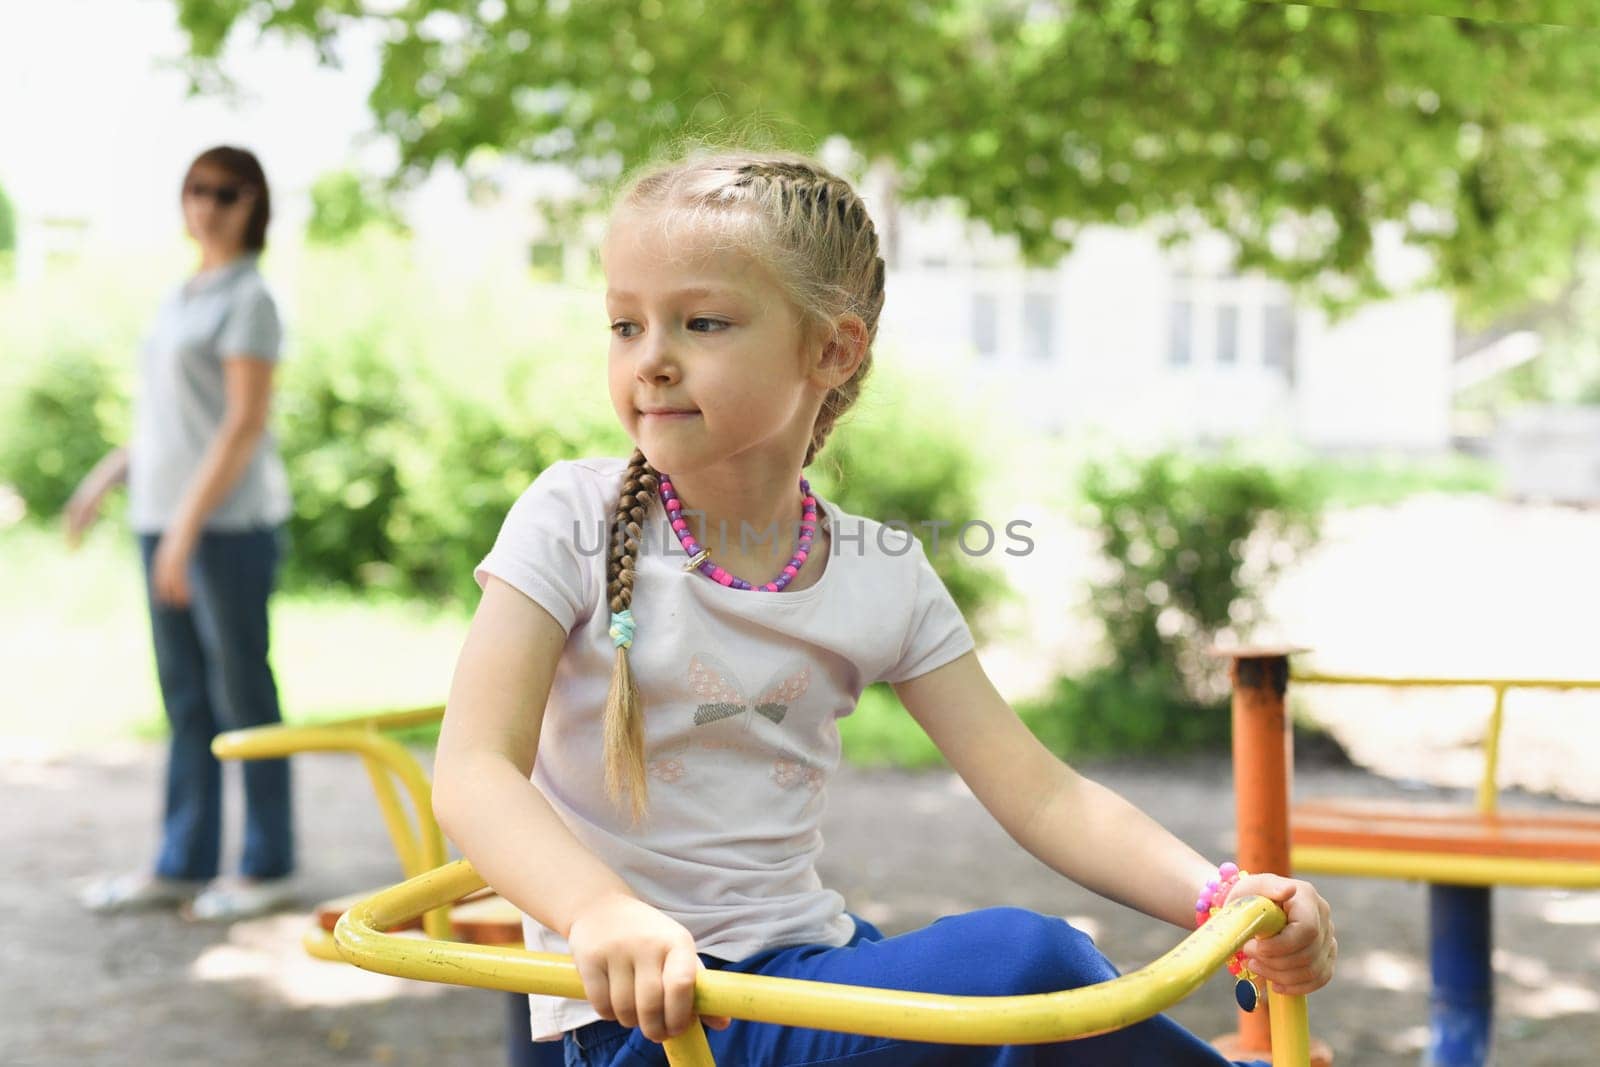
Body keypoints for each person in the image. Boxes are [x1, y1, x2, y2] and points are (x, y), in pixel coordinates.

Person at [431, 149, 1336, 1066]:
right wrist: (601, 911)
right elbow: (473, 769)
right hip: (647, 1020)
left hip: (803, 973)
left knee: (1026, 986)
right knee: (1028, 961)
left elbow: (1046, 794)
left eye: (700, 322)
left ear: (832, 348)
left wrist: (1218, 894)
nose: (652, 359)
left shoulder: (881, 571)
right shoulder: (570, 517)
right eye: (625, 325)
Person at [67, 146, 296, 922]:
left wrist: (186, 530)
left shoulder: (250, 299)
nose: (208, 204)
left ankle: (267, 863)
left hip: (223, 529)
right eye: (197, 188)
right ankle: (182, 859)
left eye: (225, 192)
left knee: (243, 693)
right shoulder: (180, 296)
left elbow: (240, 425)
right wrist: (104, 481)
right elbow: (169, 422)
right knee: (186, 699)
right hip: (162, 520)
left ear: (252, 203)